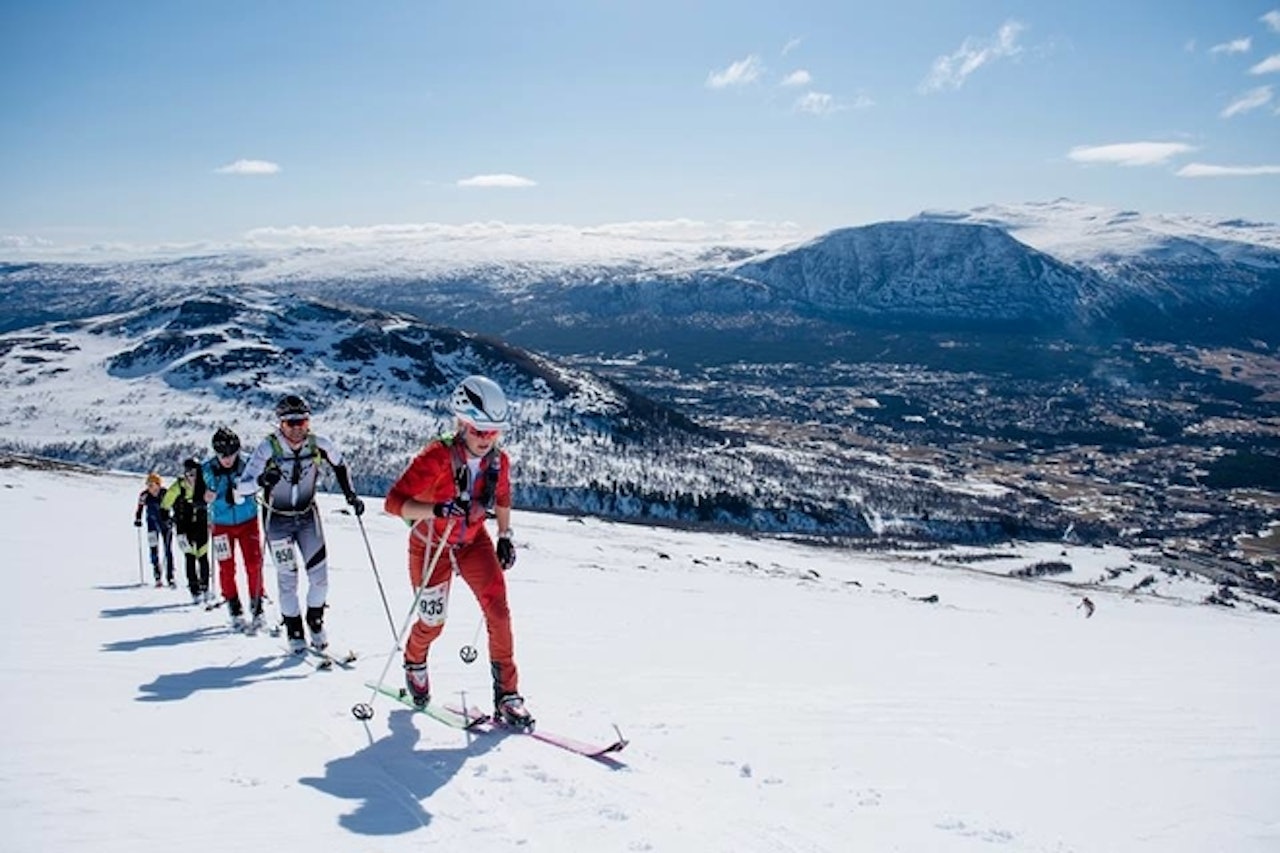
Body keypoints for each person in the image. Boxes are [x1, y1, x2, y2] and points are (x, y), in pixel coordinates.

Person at [383, 375, 530, 728]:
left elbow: (503, 497)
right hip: (430, 545)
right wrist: (434, 511)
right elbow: (393, 503)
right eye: (479, 430)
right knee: (433, 622)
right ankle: (415, 660)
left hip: (472, 541)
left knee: (498, 611)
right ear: (462, 423)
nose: (486, 439)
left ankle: (508, 695)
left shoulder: (499, 461)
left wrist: (505, 536)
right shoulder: (436, 457)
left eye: (493, 432)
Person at [238, 394, 364, 653]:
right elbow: (243, 488)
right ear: (280, 424)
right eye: (290, 423)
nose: (297, 429)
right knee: (288, 578)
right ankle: (294, 628)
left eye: (302, 423)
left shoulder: (319, 444)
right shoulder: (268, 448)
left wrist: (350, 495)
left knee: (320, 579)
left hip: (308, 516)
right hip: (277, 520)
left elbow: (340, 465)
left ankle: (315, 621)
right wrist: (262, 480)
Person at [202, 427, 267, 630]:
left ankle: (257, 607)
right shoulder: (208, 469)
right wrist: (205, 497)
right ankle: (234, 607)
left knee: (254, 563)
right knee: (227, 566)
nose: (227, 459)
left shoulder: (248, 463)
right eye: (223, 455)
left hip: (248, 520)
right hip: (221, 524)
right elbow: (196, 496)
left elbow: (261, 482)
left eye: (231, 454)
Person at [162, 458, 212, 604]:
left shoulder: (204, 485)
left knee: (202, 555)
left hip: (201, 524)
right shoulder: (179, 486)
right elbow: (168, 499)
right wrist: (165, 513)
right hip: (184, 526)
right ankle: (194, 588)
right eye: (189, 474)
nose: (193, 478)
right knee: (190, 556)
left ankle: (205, 586)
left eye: (196, 474)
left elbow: (213, 497)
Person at [133, 472, 174, 588]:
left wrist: (173, 519)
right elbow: (140, 508)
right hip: (151, 524)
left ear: (158, 484)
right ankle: (157, 575)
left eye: (152, 484)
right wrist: (138, 519)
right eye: (148, 485)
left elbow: (174, 505)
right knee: (153, 549)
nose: (150, 487)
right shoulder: (144, 495)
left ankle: (170, 576)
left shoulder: (165, 493)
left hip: (165, 524)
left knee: (168, 550)